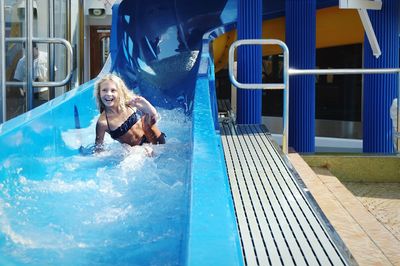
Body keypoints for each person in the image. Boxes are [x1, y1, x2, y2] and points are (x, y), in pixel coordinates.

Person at [94, 74, 166, 152]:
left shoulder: (131, 103)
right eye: (104, 90)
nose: (108, 94)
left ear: (120, 92)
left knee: (148, 120)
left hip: (156, 140)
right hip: (138, 150)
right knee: (134, 155)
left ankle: (151, 110)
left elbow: (153, 120)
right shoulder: (103, 123)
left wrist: (149, 110)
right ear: (99, 93)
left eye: (113, 90)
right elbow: (98, 148)